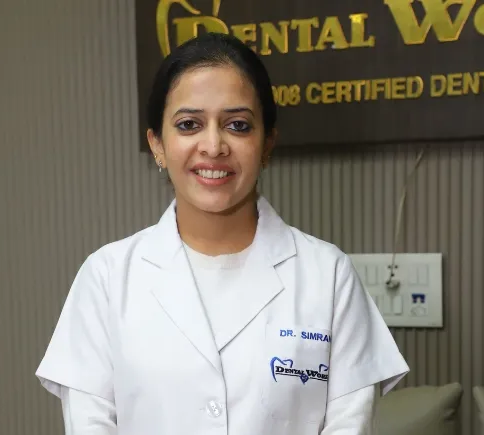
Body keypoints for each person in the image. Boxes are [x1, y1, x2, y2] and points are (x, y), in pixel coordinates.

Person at [36, 32, 409, 435]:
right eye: (189, 124)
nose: (213, 146)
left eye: (237, 125)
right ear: (157, 144)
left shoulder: (328, 276)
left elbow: (349, 425)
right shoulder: (107, 278)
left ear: (267, 143)